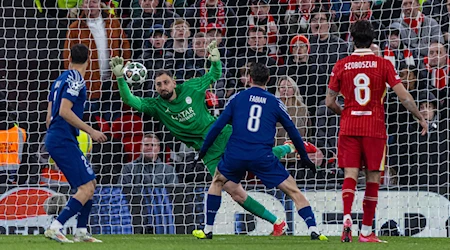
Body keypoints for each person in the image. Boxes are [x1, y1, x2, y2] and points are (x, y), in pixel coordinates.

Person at [109, 41, 298, 237]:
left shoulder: (192, 87)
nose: (163, 87)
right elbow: (129, 100)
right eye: (158, 85)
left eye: (166, 82)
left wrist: (215, 60)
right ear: (155, 88)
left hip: (223, 135)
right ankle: (278, 223)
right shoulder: (156, 106)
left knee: (257, 161)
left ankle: (286, 148)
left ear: (174, 82)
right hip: (207, 151)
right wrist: (120, 78)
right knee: (235, 192)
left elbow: (214, 75)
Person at [192, 62, 327, 240]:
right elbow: (293, 131)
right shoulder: (275, 102)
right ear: (268, 80)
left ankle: (208, 229)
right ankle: (314, 230)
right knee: (294, 191)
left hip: (236, 154)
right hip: (262, 156)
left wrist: (202, 152)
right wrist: (304, 157)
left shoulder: (237, 98)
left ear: (249, 79)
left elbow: (217, 126)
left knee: (217, 181)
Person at [325, 20, 427, 243]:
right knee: (373, 177)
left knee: (350, 175)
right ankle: (366, 231)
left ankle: (346, 218)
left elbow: (329, 101)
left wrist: (344, 112)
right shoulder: (383, 65)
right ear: (372, 40)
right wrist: (420, 117)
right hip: (374, 128)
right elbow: (404, 97)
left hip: (349, 126)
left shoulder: (341, 65)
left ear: (352, 39)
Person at [44, 44, 107, 243]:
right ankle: (55, 227)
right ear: (90, 59)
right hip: (62, 138)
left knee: (90, 184)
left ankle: (81, 231)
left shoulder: (59, 79)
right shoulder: (76, 79)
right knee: (85, 188)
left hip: (58, 138)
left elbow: (49, 117)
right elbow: (64, 110)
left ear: (69, 58)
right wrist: (91, 131)